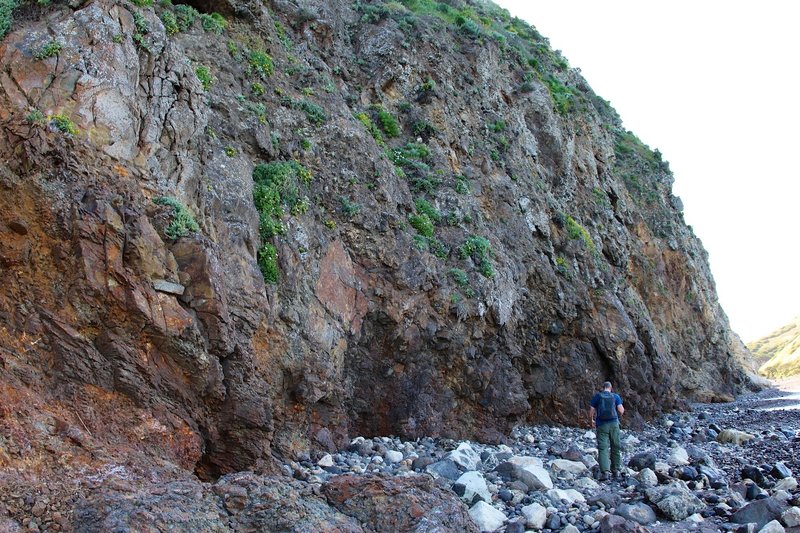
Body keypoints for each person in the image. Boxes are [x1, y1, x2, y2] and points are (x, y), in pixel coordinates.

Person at [589, 381, 624, 480]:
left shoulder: (598, 396)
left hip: (601, 425)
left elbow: (591, 410)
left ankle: (605, 472)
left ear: (602, 387)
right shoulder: (616, 397)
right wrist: (618, 417)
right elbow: (621, 410)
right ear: (611, 388)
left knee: (603, 448)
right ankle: (616, 470)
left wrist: (591, 420)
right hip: (614, 424)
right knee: (615, 446)